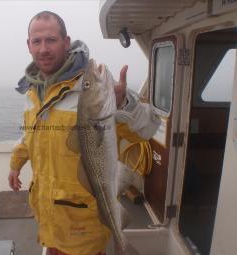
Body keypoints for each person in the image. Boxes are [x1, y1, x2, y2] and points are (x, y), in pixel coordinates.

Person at [8, 11, 160, 255]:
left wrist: (124, 104)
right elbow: (30, 136)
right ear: (29, 45)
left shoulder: (94, 89)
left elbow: (146, 130)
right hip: (49, 218)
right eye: (37, 41)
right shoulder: (32, 92)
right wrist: (16, 165)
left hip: (82, 224)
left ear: (66, 42)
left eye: (51, 40)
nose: (43, 48)